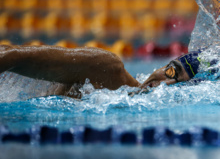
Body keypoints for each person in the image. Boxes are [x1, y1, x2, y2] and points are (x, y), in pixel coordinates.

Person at [0, 44, 202, 98]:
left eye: (180, 84)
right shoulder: (106, 69)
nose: (164, 84)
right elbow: (13, 55)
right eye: (171, 72)